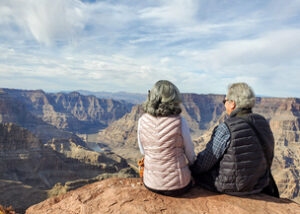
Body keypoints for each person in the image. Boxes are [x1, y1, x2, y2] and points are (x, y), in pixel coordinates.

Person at [191, 82, 278, 196]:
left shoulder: (226, 128)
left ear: (232, 103)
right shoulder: (262, 122)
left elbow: (205, 162)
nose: (224, 104)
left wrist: (191, 168)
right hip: (259, 185)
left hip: (231, 188)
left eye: (225, 101)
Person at [137, 80, 195, 196]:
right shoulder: (179, 121)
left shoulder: (142, 120)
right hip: (179, 185)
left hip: (150, 183)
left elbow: (143, 151)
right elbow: (189, 153)